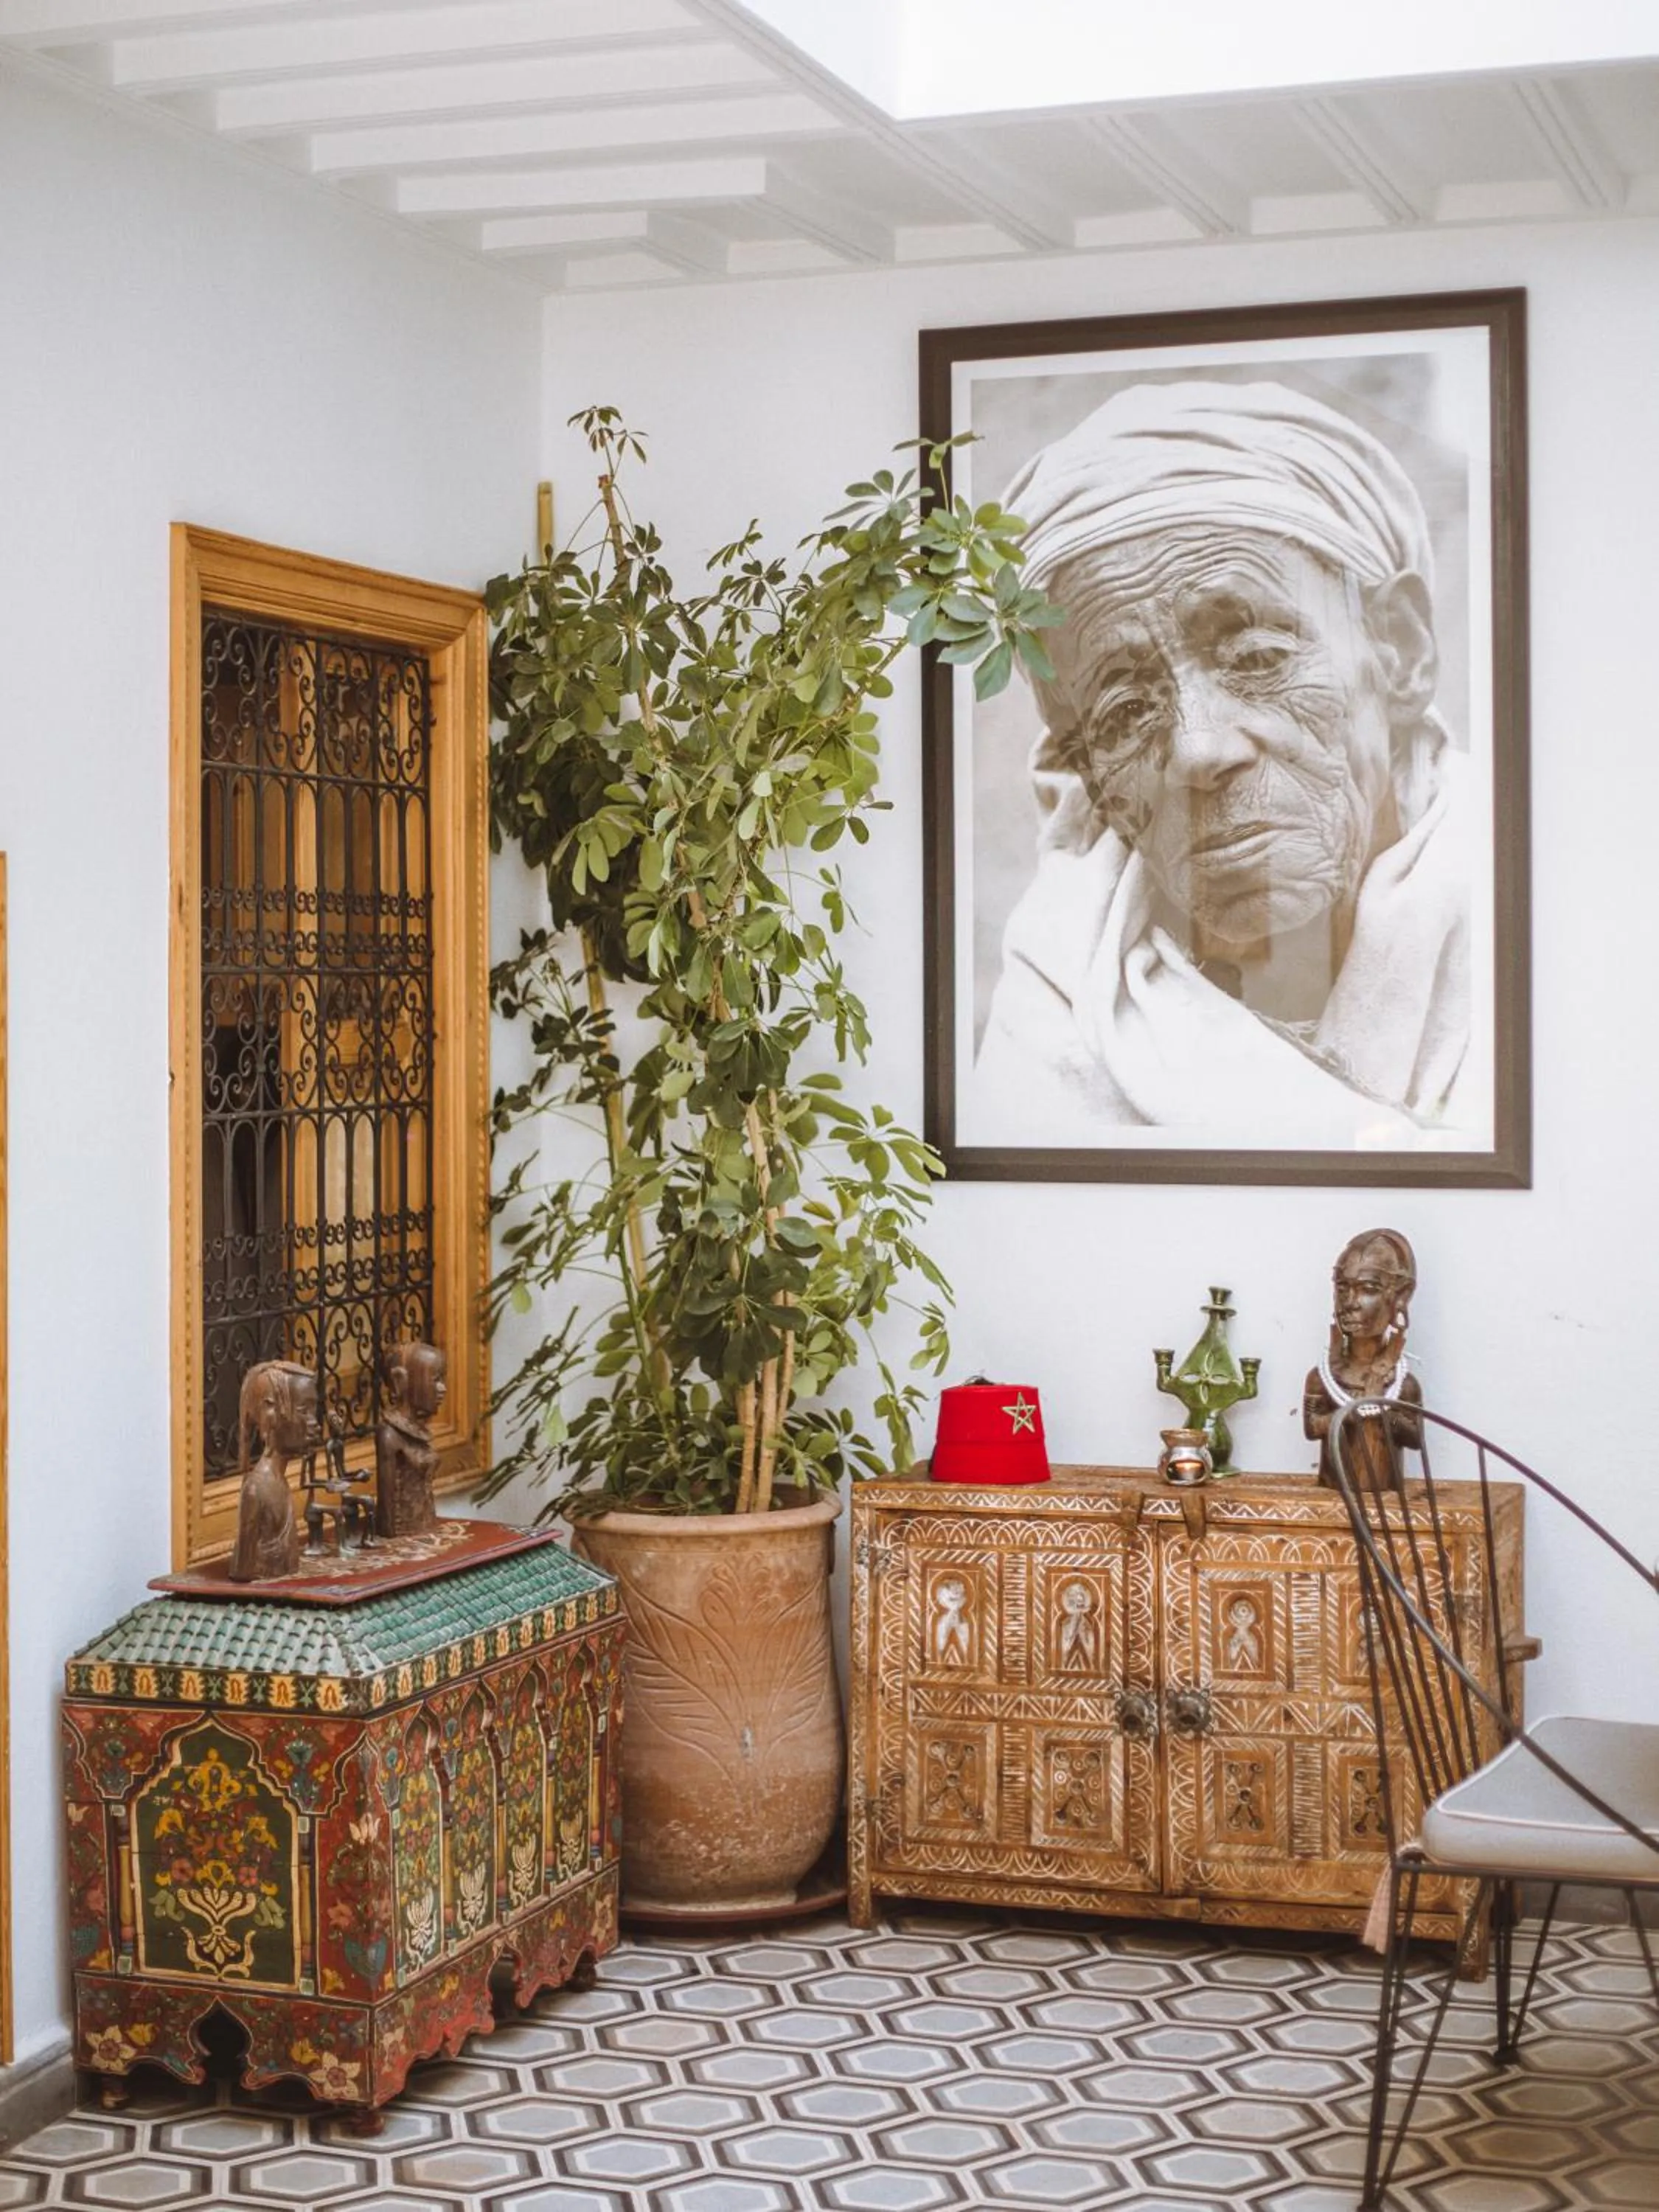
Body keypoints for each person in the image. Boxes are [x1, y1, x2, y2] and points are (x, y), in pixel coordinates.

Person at [970, 379, 1474, 1144]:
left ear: (1398, 654)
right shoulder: (1057, 1004)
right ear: (1092, 779)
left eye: (1259, 657)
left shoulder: (1552, 919)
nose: (1201, 750)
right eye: (1125, 714)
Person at [1303, 1228, 1423, 1492]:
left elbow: (1415, 1439)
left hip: (1390, 1502)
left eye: (1368, 1289)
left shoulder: (1402, 1384)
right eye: (1342, 1288)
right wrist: (1348, 1414)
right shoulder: (1323, 1377)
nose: (1350, 1303)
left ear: (1400, 1297)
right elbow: (1312, 1429)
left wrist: (1383, 1410)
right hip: (1332, 1500)